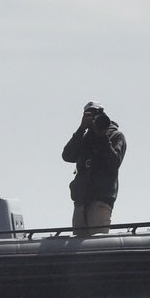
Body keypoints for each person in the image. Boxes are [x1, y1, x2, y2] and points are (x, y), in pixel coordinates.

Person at [62, 101, 126, 235]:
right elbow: (67, 156)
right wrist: (81, 129)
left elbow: (114, 163)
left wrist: (103, 137)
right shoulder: (85, 138)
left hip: (100, 201)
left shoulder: (115, 136)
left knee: (97, 245)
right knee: (78, 250)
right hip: (80, 202)